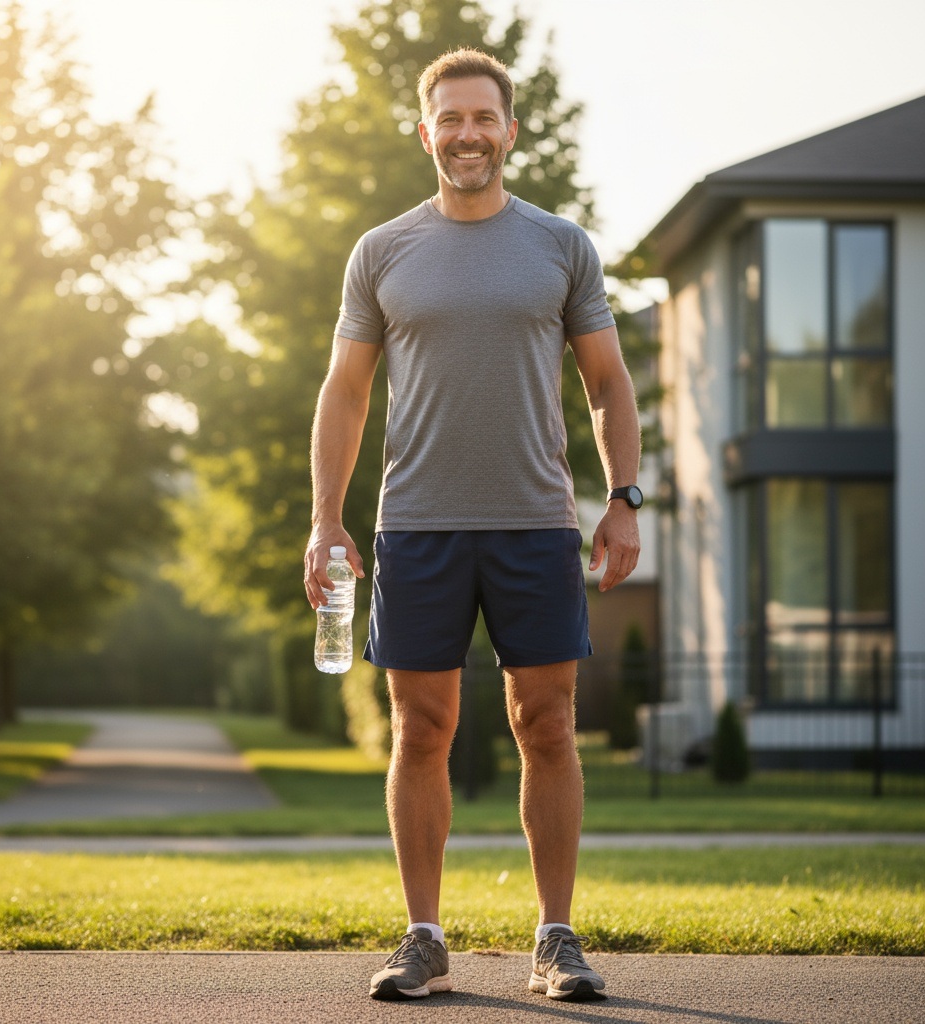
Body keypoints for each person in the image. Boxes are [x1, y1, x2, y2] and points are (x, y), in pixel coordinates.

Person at [304, 47, 641, 1003]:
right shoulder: (382, 251)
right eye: (448, 120)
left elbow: (609, 383)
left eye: (481, 118)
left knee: (549, 724)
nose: (466, 135)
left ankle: (557, 940)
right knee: (421, 728)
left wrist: (623, 497)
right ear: (426, 134)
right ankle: (422, 937)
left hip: (536, 523)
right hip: (417, 526)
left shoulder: (562, 245)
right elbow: (345, 392)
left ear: (510, 130)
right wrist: (326, 519)